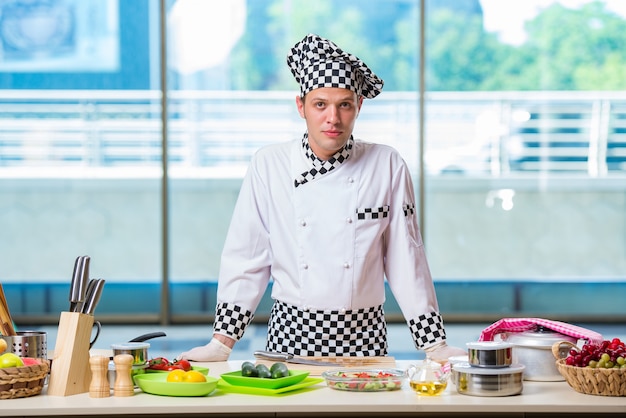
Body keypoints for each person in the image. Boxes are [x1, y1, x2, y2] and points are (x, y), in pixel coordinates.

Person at [178, 33, 466, 363]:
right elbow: (247, 255)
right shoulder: (270, 164)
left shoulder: (387, 164)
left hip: (364, 339)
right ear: (301, 106)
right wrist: (221, 343)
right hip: (289, 338)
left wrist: (435, 344)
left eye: (344, 104)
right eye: (320, 105)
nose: (333, 118)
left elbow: (406, 258)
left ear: (358, 106)